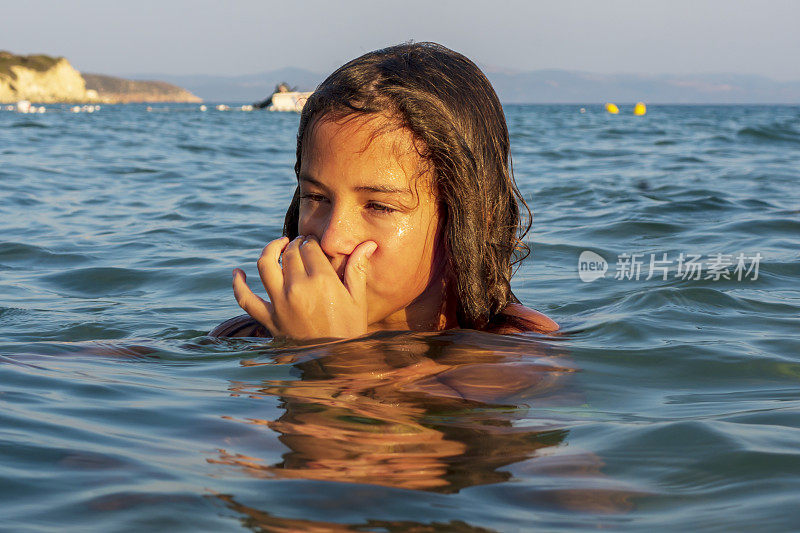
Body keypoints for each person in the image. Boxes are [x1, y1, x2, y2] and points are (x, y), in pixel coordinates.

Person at [210, 42, 558, 340]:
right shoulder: (247, 338)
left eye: (378, 206)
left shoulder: (514, 349)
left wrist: (330, 355)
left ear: (471, 219)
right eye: (315, 197)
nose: (331, 240)